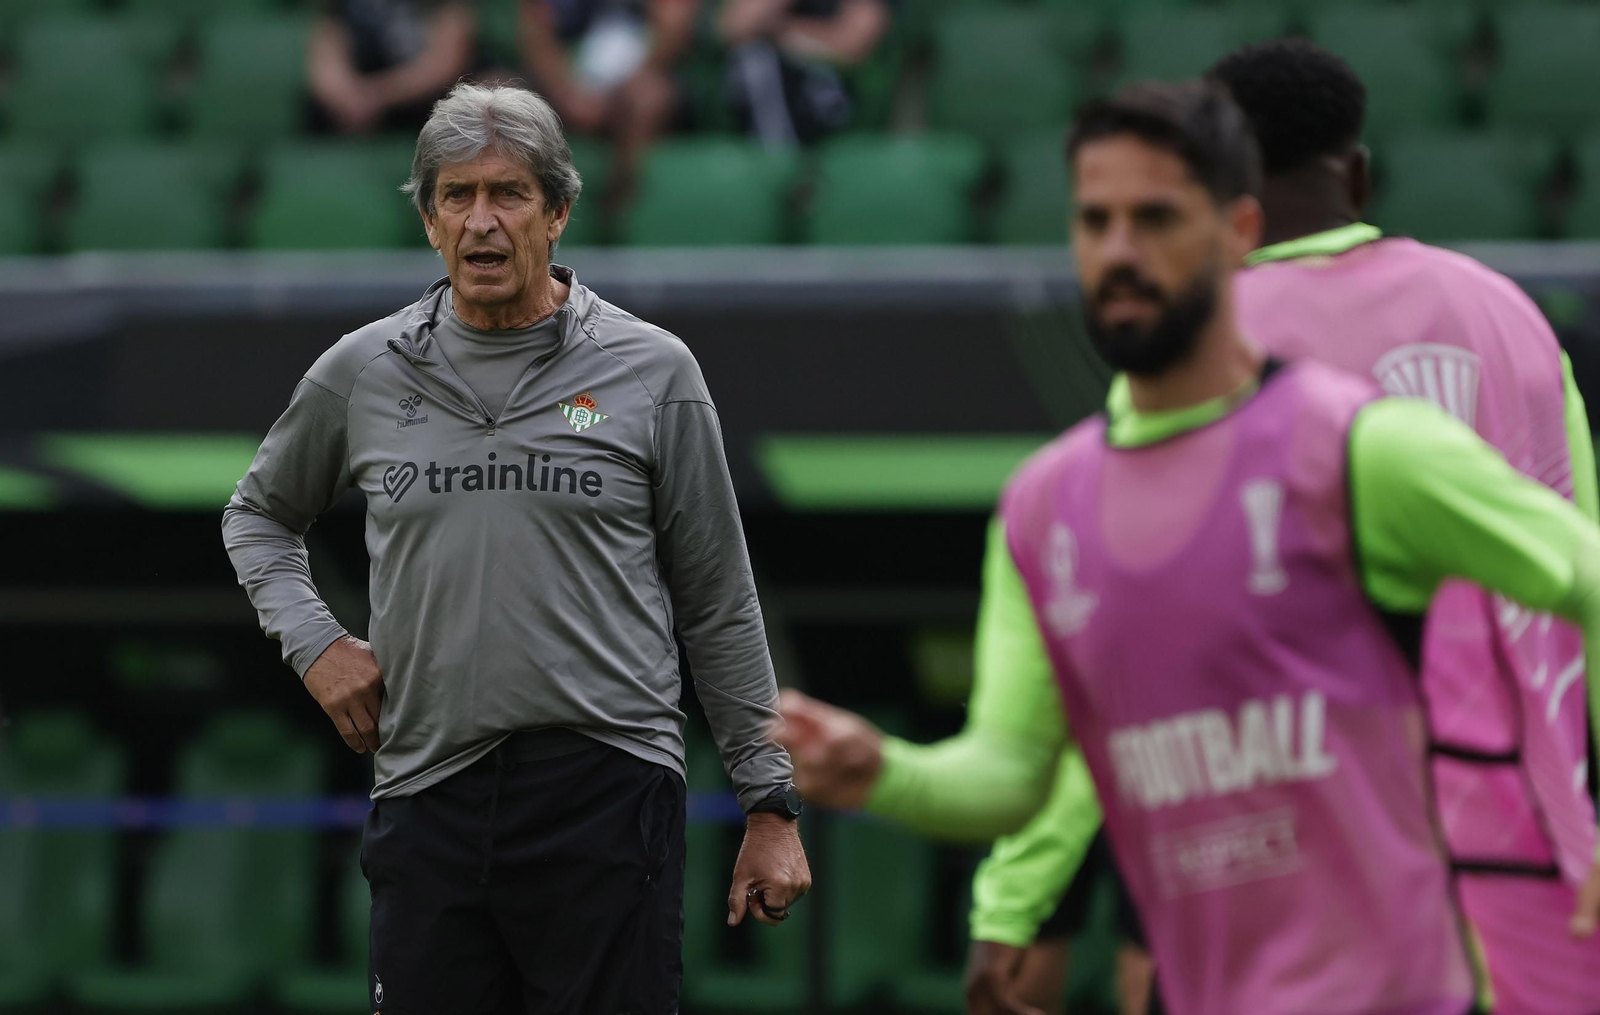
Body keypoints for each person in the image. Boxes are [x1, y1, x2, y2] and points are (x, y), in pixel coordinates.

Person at [779, 78, 1600, 1015]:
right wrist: (885, 772)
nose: (1122, 252)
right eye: (1096, 221)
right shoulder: (1046, 507)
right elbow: (1009, 772)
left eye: (1156, 218)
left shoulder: (1363, 446)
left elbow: (1588, 577)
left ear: (1237, 230)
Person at [223, 82, 810, 1014]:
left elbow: (717, 596)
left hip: (609, 788)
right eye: (456, 196)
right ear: (428, 220)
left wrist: (770, 805)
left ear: (559, 212)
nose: (482, 222)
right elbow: (256, 515)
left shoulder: (654, 370)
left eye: (509, 194)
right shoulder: (364, 371)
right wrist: (318, 644)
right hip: (427, 790)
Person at [517, 0, 697, 203]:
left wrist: (618, 93)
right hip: (567, 83)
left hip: (638, 80)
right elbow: (537, 32)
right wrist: (570, 95)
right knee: (503, 98)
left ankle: (618, 211)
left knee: (648, 99)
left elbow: (673, 26)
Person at [716, 0, 891, 147]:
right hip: (764, 94)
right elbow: (732, 28)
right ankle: (777, 163)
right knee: (756, 63)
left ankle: (783, 167)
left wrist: (787, 36)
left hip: (831, 88)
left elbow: (853, 45)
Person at [308, 0, 481, 135]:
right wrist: (347, 99)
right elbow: (327, 54)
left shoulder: (443, 6)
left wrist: (378, 96)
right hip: (361, 101)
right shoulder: (344, 6)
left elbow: (444, 64)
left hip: (423, 98)